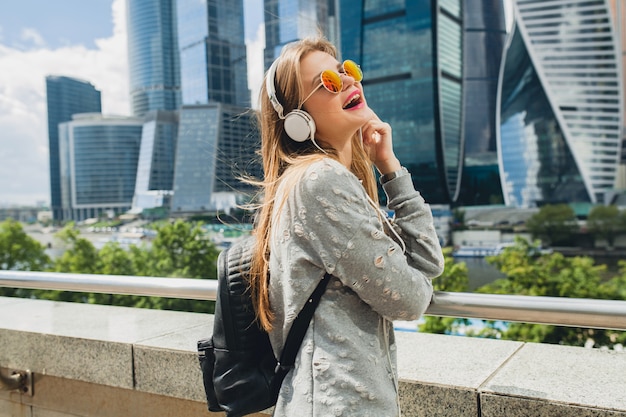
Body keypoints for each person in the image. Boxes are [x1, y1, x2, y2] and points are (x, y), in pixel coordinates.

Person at [248, 36, 445, 417]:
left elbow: (427, 262)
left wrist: (388, 167)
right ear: (297, 120)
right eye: (329, 83)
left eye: (347, 71)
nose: (349, 82)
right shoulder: (320, 182)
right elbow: (411, 299)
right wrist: (412, 282)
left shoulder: (329, 180)